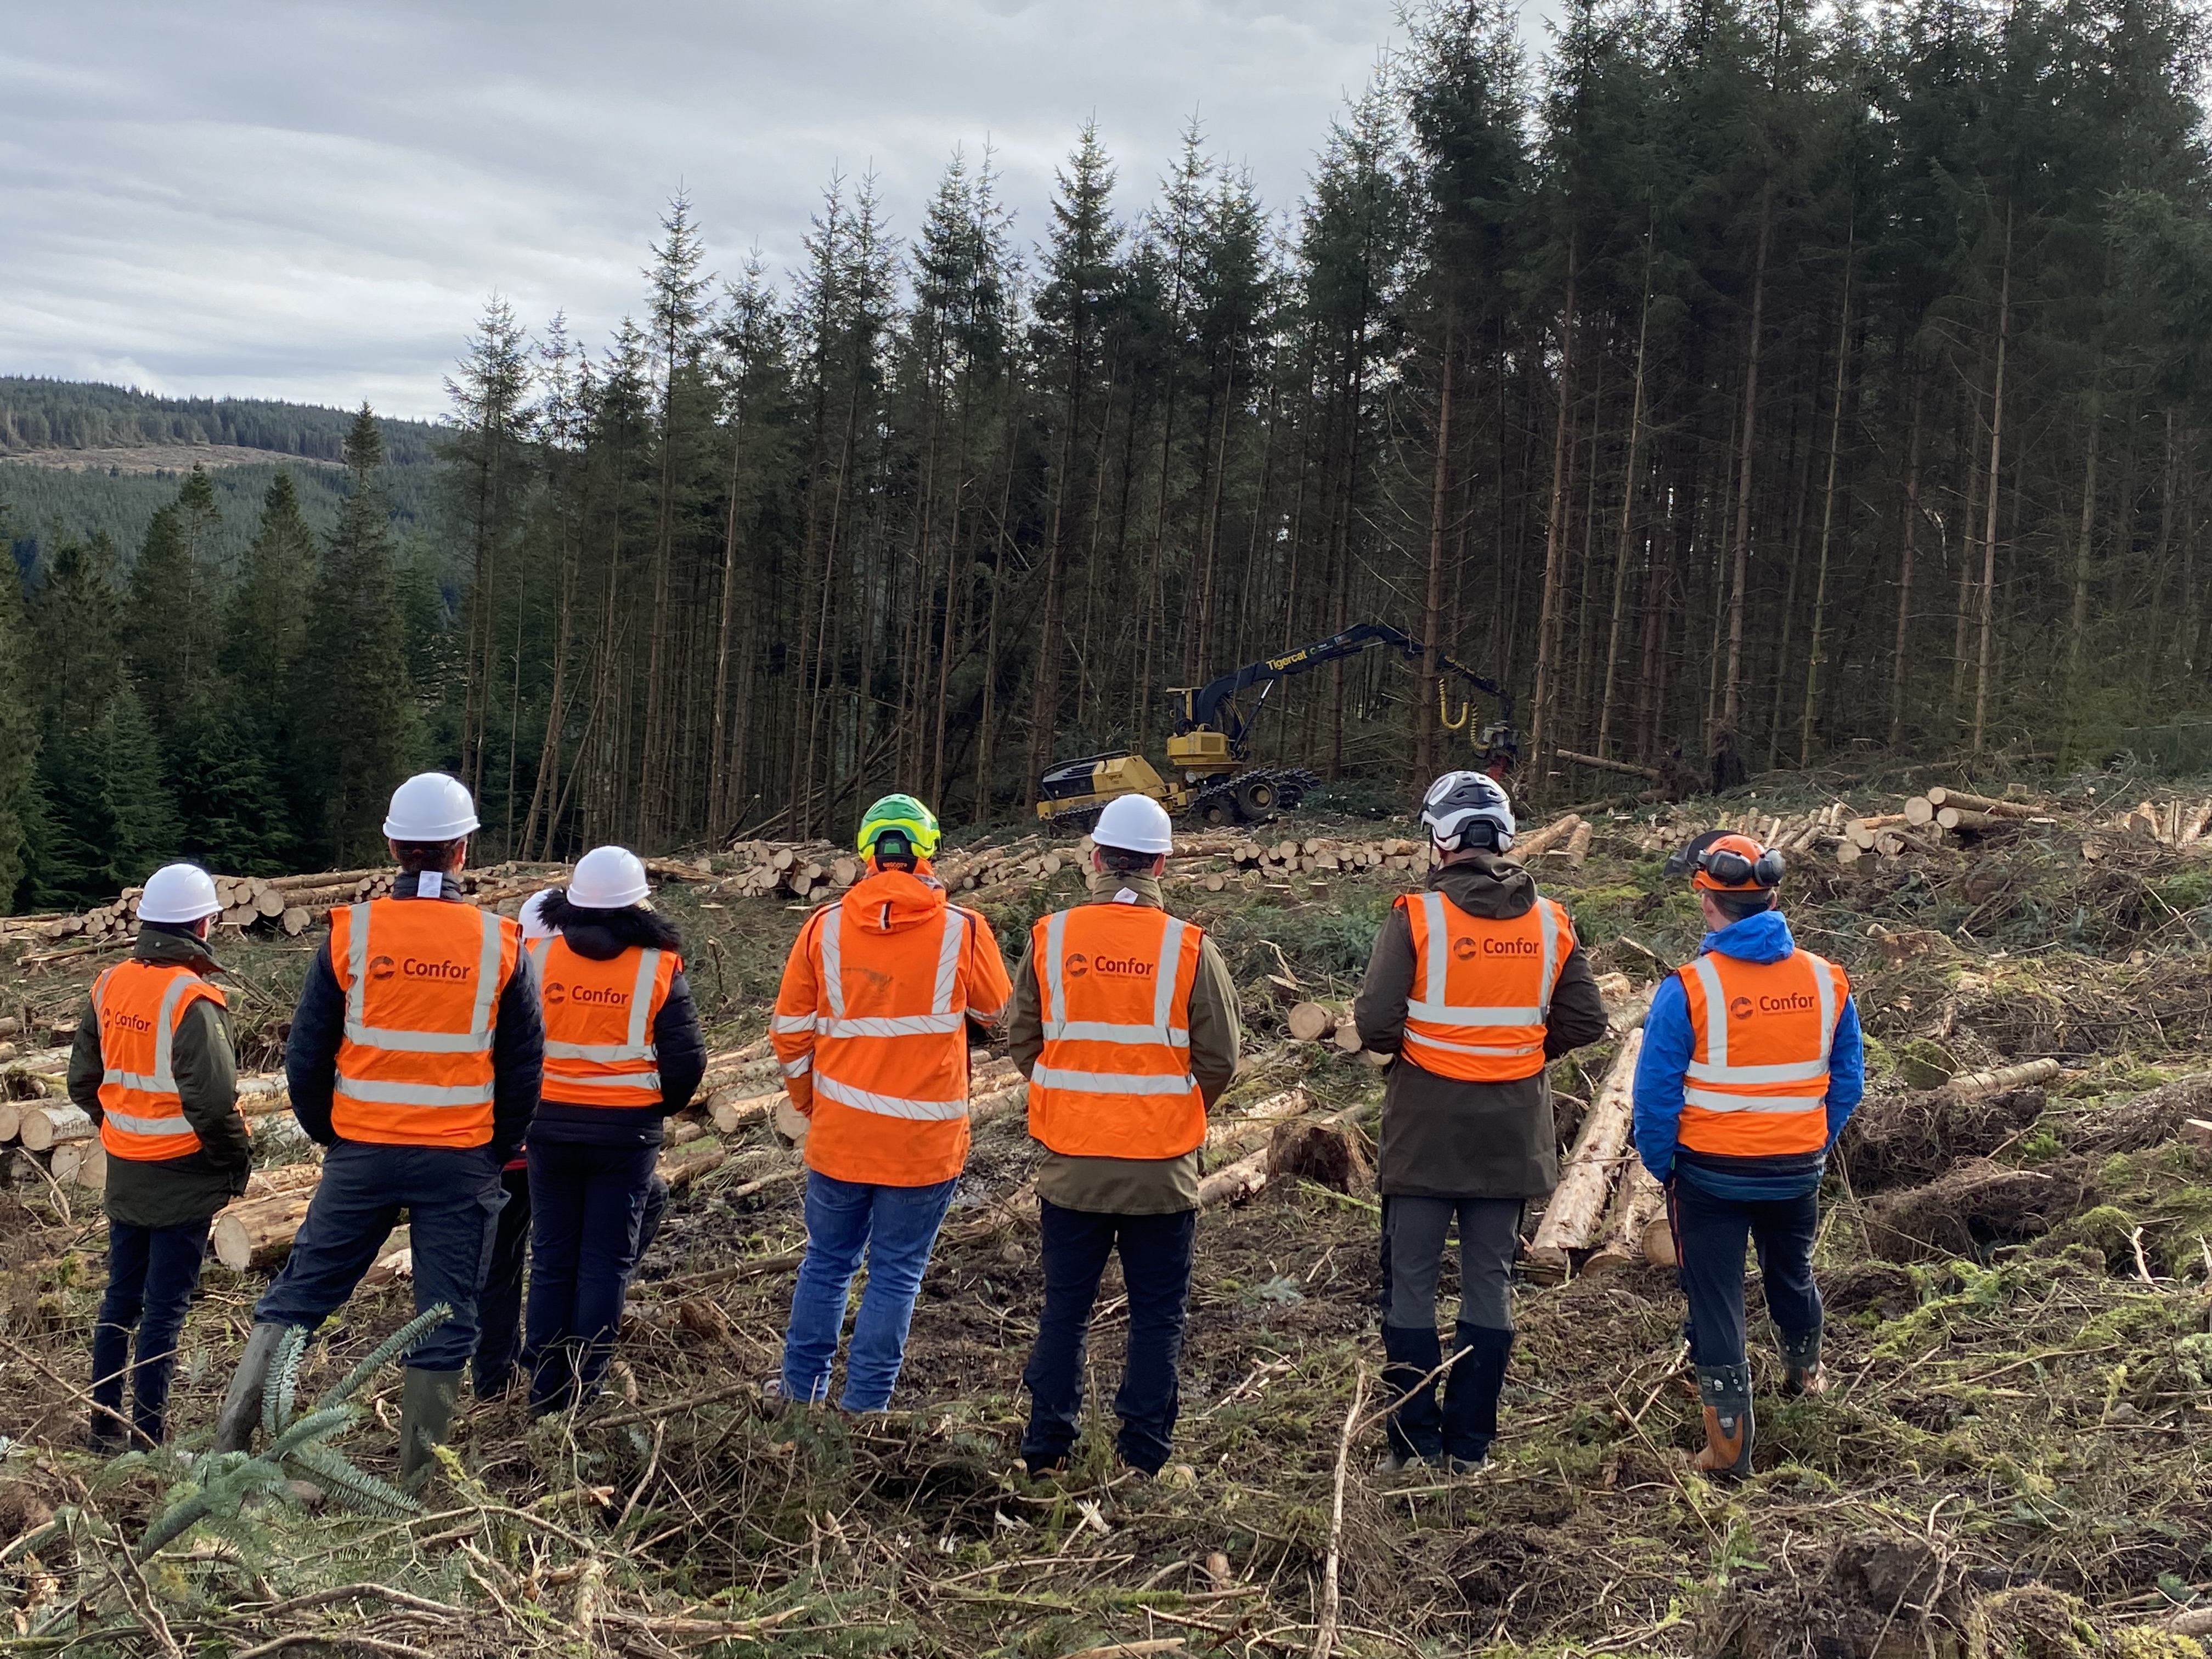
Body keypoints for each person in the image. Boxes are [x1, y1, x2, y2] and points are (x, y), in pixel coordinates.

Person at [213, 772, 544, 1478]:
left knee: (301, 1296)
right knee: (445, 1316)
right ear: (463, 850)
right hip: (460, 1160)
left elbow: (307, 1055)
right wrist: (494, 1150)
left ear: (393, 844)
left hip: (362, 1152)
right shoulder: (502, 944)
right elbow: (523, 1069)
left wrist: (333, 1134)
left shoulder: (349, 934)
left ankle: (229, 1453)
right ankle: (416, 1488)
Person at [1353, 771, 1608, 1474]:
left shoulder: (1417, 916)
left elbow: (1374, 1024)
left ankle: (1411, 1447)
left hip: (1424, 1129)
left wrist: (1422, 1054)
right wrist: (1525, 1054)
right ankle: (1470, 1448)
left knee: (1410, 1282)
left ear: (1439, 838)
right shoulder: (1550, 921)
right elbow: (1587, 1019)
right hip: (1510, 1132)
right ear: (1504, 836)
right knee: (1488, 1283)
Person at [1009, 793, 1243, 1478]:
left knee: (1065, 1311)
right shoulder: (1190, 947)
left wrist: (1070, 1090)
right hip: (1163, 1172)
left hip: (1071, 1168)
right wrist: (1170, 1108)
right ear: (1162, 863)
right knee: (1156, 1318)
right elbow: (1221, 1059)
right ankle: (1143, 1457)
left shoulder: (1050, 938)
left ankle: (1046, 1449)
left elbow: (1023, 1039)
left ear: (1096, 859)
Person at [1632, 831, 1864, 1479]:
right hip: (1795, 1173)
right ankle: (1805, 1379)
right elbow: (1848, 1083)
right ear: (1773, 895)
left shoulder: (1688, 988)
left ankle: (1728, 1451)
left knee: (1716, 1298)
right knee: (1793, 1273)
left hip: (1709, 1177)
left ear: (1707, 903)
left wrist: (1665, 1165)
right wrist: (1811, 1141)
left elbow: (1653, 1099)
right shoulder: (1827, 980)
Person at [770, 793, 1011, 1413]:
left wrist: (810, 1102)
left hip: (841, 1138)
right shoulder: (964, 928)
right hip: (924, 1146)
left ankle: (799, 1397)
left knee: (826, 1265)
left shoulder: (822, 928)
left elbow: (790, 1035)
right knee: (896, 1274)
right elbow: (997, 1012)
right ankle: (866, 1410)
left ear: (867, 854)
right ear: (927, 852)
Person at [67, 864, 252, 1451]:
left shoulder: (108, 984)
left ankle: (102, 1428)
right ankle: (147, 1441)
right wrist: (233, 1161)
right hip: (183, 1172)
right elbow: (215, 1101)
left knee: (120, 1297)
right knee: (165, 1311)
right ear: (202, 923)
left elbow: (81, 1083)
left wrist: (119, 1128)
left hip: (127, 1169)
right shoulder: (192, 998)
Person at [522, 847, 706, 1413]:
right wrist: (655, 1110)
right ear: (637, 903)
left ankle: (543, 1390)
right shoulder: (658, 964)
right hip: (626, 1135)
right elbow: (686, 1061)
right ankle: (585, 1389)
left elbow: (510, 1043)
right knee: (606, 1261)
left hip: (547, 1128)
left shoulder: (535, 954)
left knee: (553, 1258)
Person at [473, 889, 558, 1401]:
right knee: (554, 1258)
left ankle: (494, 1378)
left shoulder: (499, 972)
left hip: (507, 1146)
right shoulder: (534, 977)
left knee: (500, 1268)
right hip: (538, 1147)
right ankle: (529, 1370)